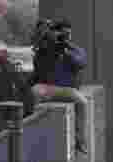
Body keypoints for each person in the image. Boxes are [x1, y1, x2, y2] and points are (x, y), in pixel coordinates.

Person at [29, 18, 88, 152]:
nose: (65, 37)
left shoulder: (75, 50)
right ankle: (33, 133)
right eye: (62, 34)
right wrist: (46, 43)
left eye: (68, 34)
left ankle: (80, 140)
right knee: (34, 92)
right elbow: (37, 63)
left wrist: (66, 50)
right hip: (47, 88)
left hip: (67, 90)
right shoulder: (46, 48)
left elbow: (81, 63)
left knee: (82, 102)